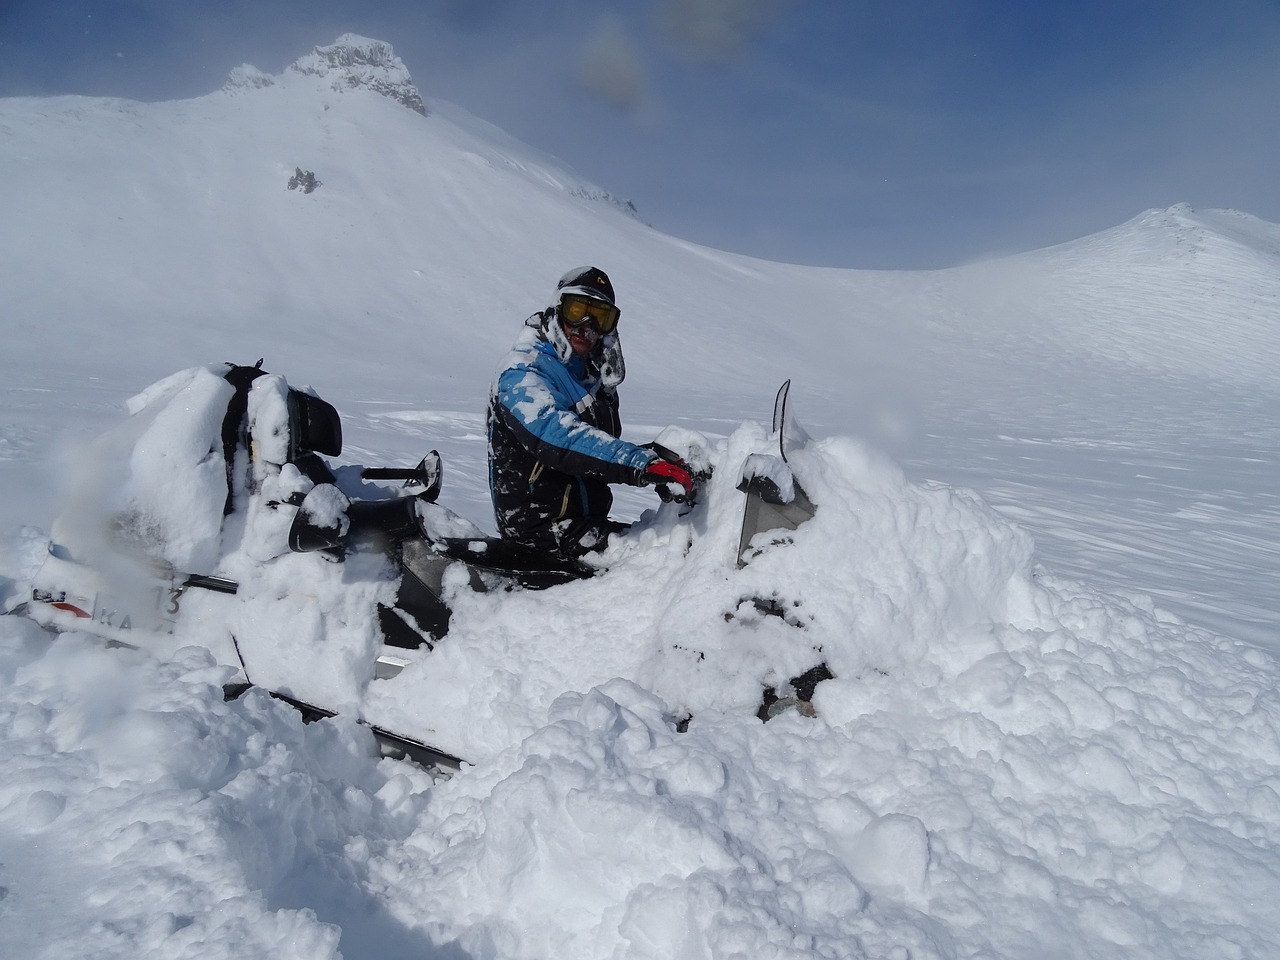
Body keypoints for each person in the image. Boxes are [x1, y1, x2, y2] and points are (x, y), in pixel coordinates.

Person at [487, 266, 695, 557]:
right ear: (557, 310)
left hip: (585, 526)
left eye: (601, 318)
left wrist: (662, 462)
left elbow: (592, 448)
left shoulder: (591, 379)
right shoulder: (521, 370)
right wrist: (640, 464)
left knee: (680, 545)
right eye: (578, 310)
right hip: (540, 534)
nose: (588, 326)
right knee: (664, 557)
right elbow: (557, 436)